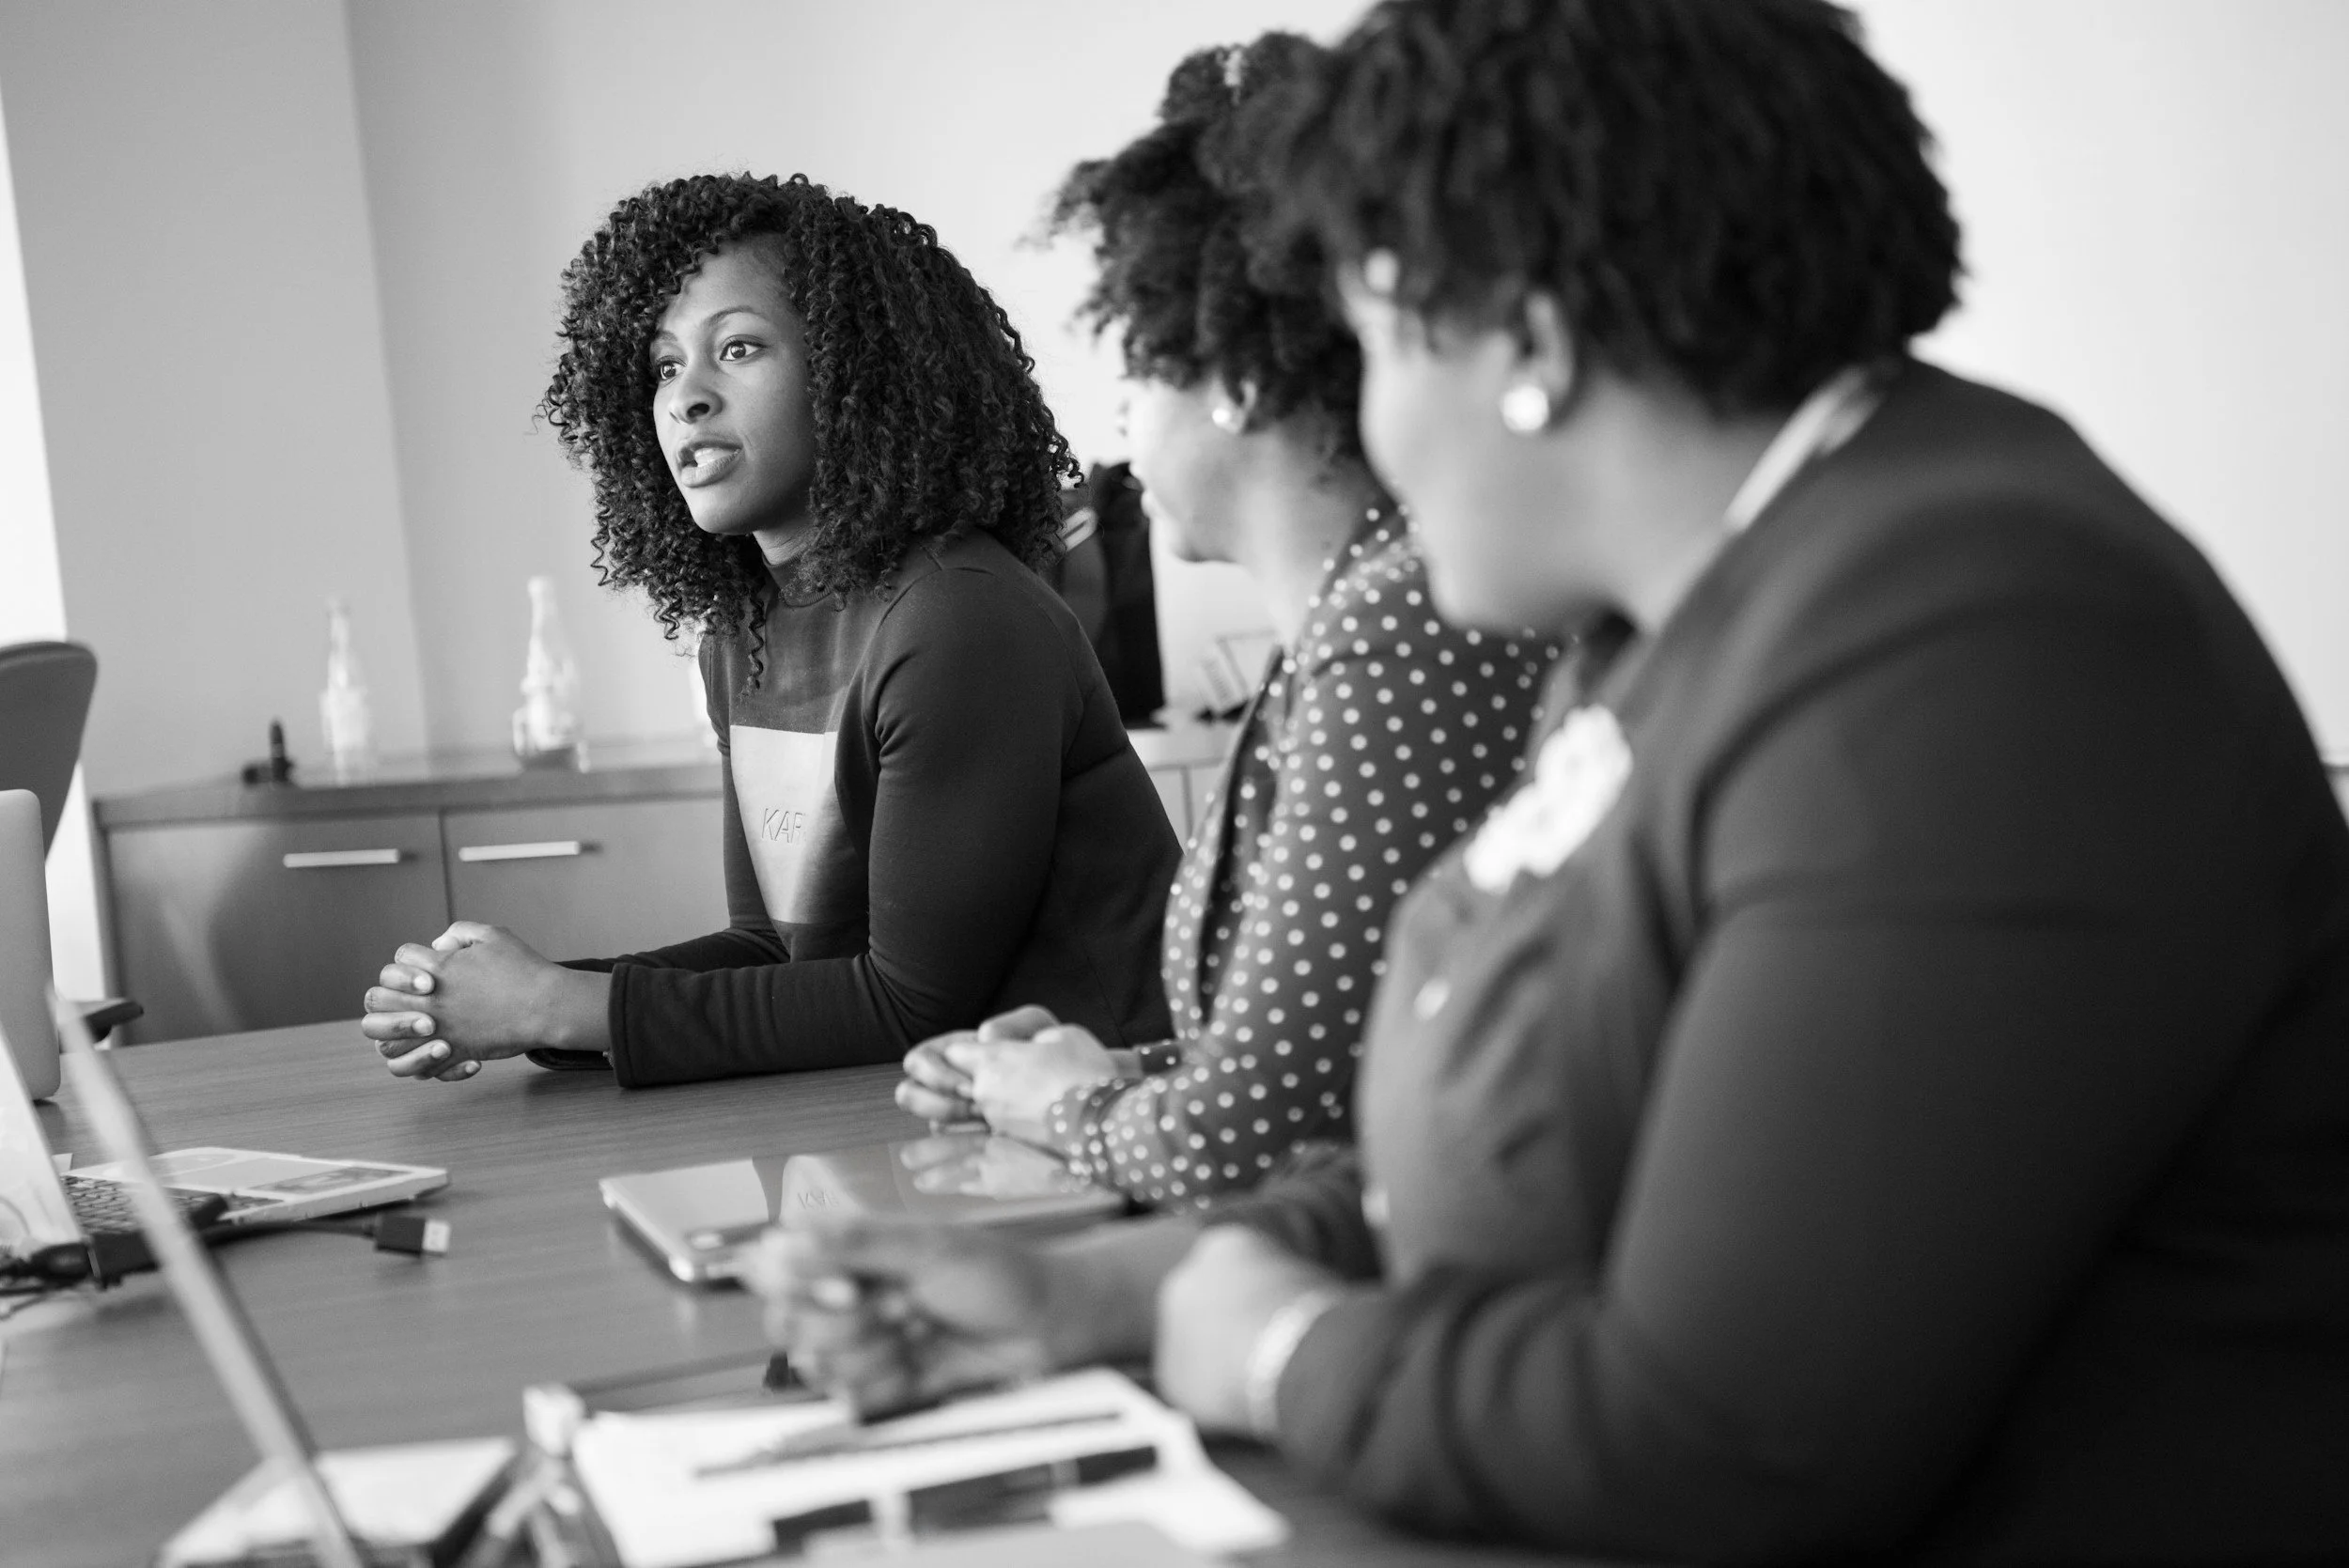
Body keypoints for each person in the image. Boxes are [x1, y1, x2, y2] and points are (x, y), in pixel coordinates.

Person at [747, 2, 2349, 1560]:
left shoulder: (1977, 638)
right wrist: (1108, 1293)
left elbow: (1727, 1441)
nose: (1364, 425)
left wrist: (1278, 1350)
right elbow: (1509, 1157)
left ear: (1524, 337)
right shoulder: (1664, 629)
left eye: (1372, 344)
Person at [894, 36, 1556, 1207]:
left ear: (1237, 375)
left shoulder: (1397, 627)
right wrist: (1100, 1071)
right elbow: (1319, 1060)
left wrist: (1058, 1105)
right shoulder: (1361, 616)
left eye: (1138, 365)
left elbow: (1247, 1144)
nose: (1118, 416)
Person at [359, 174, 1178, 1089]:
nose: (685, 399)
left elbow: (914, 1003)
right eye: (665, 365)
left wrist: (563, 1006)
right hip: (914, 1100)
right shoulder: (740, 633)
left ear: (856, 372)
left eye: (737, 348)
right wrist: (525, 1001)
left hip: (1098, 1116)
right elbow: (777, 946)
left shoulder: (958, 617)